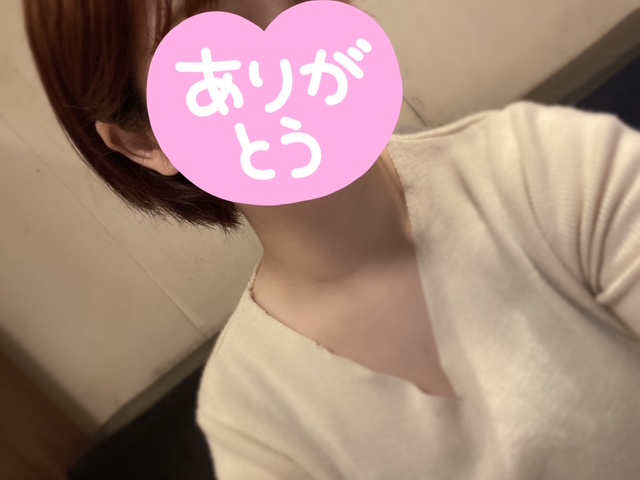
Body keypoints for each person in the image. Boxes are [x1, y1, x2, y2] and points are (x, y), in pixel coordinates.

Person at [23, 1, 640, 478]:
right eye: (202, 29)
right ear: (144, 141)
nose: (281, 21)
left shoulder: (549, 166)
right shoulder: (252, 419)